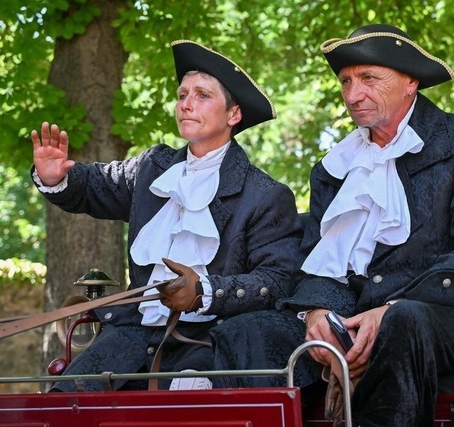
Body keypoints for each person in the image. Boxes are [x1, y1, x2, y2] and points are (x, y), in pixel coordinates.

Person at [214, 24, 454, 426]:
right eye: (346, 81)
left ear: (410, 82)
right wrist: (317, 314)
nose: (353, 95)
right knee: (247, 331)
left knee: (403, 322)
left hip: (447, 315)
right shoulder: (333, 169)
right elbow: (316, 259)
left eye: (369, 78)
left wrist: (390, 309)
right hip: (350, 314)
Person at [30, 40, 302, 392]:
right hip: (132, 335)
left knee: (183, 401)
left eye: (202, 95)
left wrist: (205, 291)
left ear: (233, 115)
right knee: (66, 401)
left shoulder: (265, 194)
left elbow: (276, 282)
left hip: (211, 341)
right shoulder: (152, 168)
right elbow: (98, 183)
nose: (186, 104)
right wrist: (57, 178)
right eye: (182, 95)